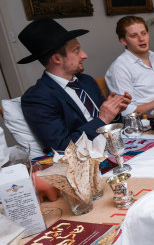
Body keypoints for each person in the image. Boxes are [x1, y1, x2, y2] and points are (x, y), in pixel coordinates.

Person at [18, 17, 131, 152]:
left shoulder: (86, 81)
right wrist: (102, 119)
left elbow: (108, 122)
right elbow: (62, 146)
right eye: (76, 50)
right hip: (84, 163)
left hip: (113, 148)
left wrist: (115, 111)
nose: (84, 55)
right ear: (57, 59)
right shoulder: (37, 98)